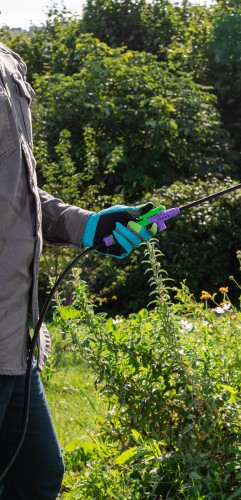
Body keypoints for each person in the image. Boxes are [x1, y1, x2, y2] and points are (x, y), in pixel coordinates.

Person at [0, 42, 157, 498]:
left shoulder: (8, 60)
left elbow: (17, 193)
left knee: (37, 477)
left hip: (15, 344)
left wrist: (87, 226)